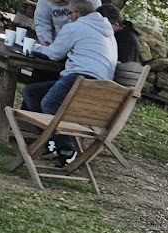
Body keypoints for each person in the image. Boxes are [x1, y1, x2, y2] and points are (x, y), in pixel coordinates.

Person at [22, 0, 114, 167]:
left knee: (49, 103)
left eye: (70, 13)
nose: (69, 17)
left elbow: (55, 53)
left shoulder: (76, 27)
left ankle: (66, 148)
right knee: (31, 92)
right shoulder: (107, 32)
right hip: (102, 87)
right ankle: (50, 140)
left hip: (79, 77)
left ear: (76, 13)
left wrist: (31, 48)